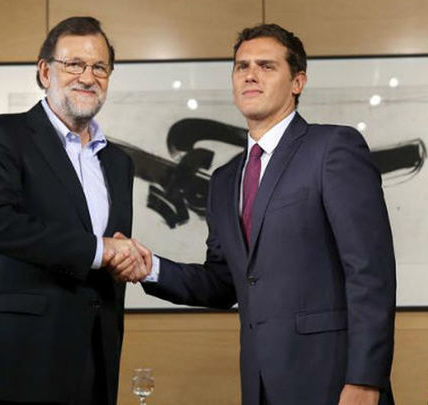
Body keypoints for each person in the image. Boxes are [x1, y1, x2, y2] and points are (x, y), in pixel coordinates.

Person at [114, 23, 396, 405]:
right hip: (259, 383)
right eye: (241, 66)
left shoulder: (332, 147)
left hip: (332, 379)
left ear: (297, 82)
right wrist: (150, 268)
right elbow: (222, 282)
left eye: (266, 66)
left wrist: (365, 379)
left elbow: (370, 272)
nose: (250, 74)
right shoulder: (224, 179)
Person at [0, 16, 148, 405]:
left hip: (96, 362)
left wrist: (126, 257)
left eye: (99, 67)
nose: (88, 77)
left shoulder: (119, 162)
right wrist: (101, 250)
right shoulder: (1, 135)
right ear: (45, 71)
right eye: (74, 64)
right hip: (20, 365)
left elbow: (110, 253)